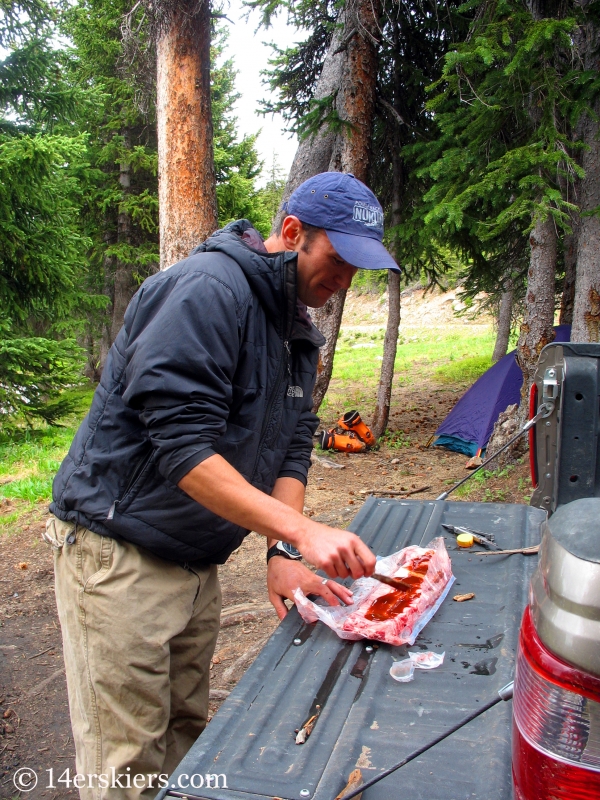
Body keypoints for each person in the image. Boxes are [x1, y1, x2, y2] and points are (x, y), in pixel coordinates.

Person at [46, 172, 400, 799]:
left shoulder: (296, 332)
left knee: (188, 738)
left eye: (357, 268)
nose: (344, 281)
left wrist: (283, 553)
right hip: (118, 552)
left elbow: (292, 447)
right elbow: (182, 450)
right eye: (337, 259)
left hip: (193, 560)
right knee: (125, 765)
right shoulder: (208, 291)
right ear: (292, 233)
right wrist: (302, 530)